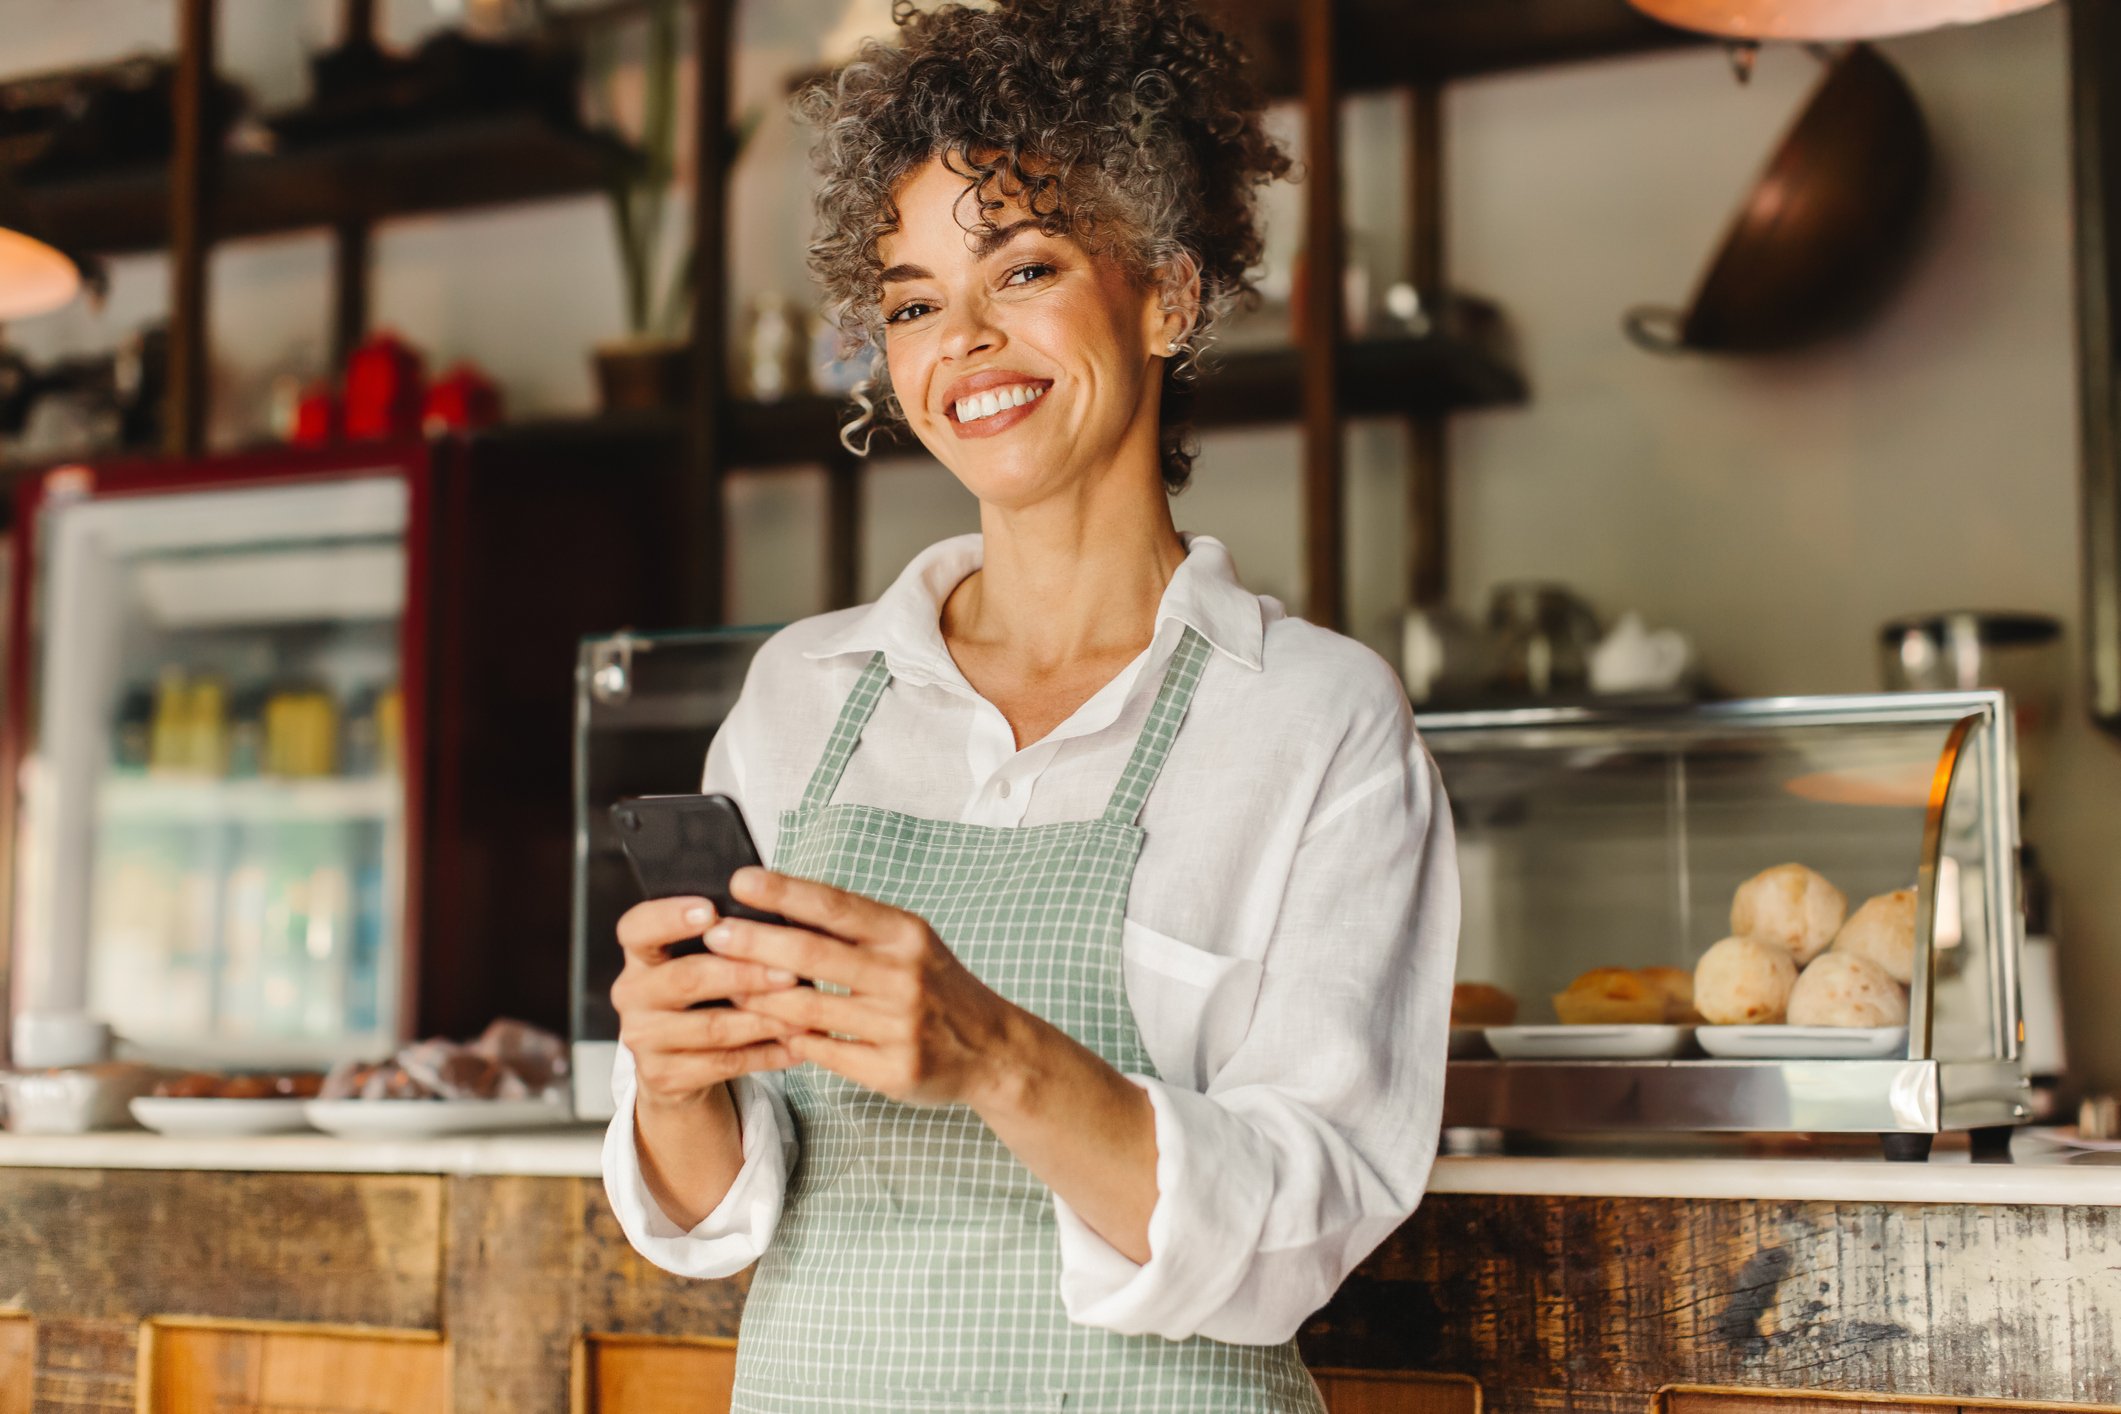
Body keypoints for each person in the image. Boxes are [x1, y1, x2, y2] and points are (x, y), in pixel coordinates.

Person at [601, 0, 1459, 1408]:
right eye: (916, 300)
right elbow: (717, 1219)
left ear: (1168, 295)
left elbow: (1309, 1222)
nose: (966, 342)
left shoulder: (1312, 719)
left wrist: (996, 1054)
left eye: (1026, 268)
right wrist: (677, 1078)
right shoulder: (802, 701)